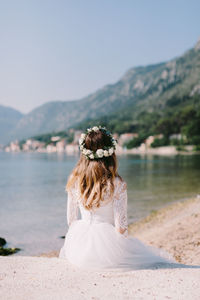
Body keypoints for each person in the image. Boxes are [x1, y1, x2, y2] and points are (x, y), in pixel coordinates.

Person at [59, 126, 175, 271]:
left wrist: (77, 240)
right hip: (106, 250)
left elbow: (71, 221)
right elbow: (121, 228)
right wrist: (121, 247)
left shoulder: (74, 179)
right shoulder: (117, 184)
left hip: (78, 249)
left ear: (84, 153)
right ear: (111, 153)